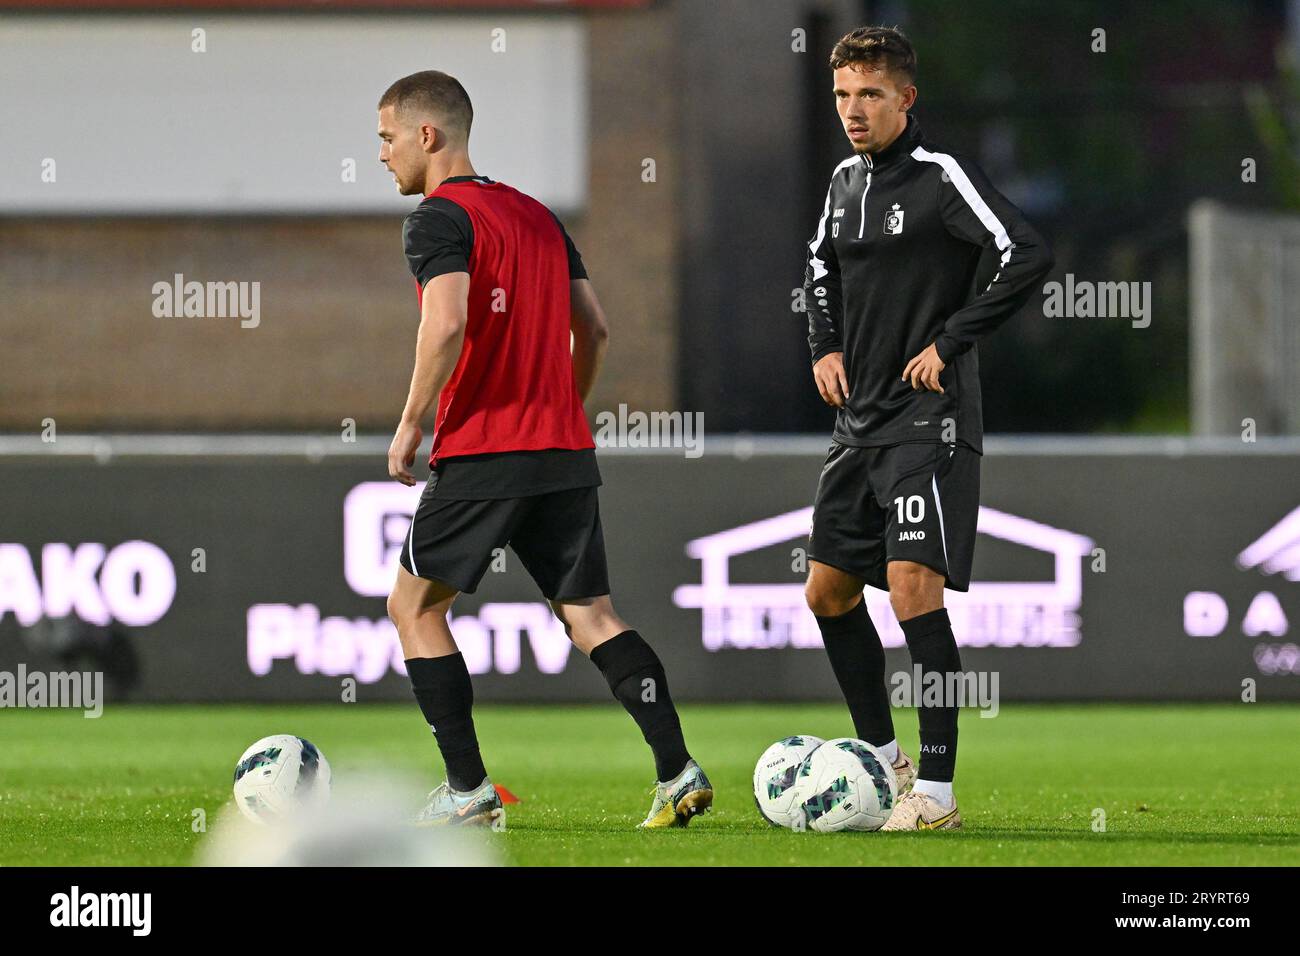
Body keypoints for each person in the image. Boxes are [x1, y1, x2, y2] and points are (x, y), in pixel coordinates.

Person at [376, 70, 712, 829]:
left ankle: (468, 792)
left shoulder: (437, 219)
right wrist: (564, 403)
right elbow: (592, 328)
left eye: (387, 137)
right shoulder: (536, 215)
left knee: (415, 608)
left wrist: (410, 421)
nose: (383, 154)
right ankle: (677, 769)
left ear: (427, 136)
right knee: (592, 613)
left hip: (485, 446)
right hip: (561, 447)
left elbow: (449, 321)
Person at [801, 27, 1054, 830]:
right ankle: (881, 756)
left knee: (913, 588)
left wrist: (950, 342)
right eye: (842, 94)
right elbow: (817, 268)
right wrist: (825, 345)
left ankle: (936, 793)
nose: (853, 110)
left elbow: (1026, 250)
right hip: (859, 421)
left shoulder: (941, 175)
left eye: (869, 94)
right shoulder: (843, 180)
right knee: (828, 590)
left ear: (905, 98)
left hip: (929, 421)